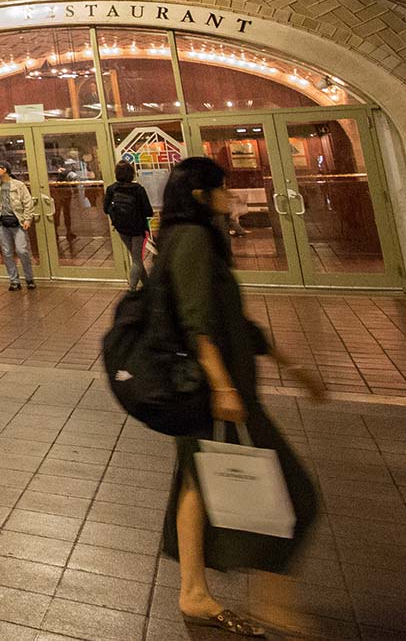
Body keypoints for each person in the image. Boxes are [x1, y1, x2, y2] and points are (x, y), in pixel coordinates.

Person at [159, 155, 326, 637]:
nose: (229, 196)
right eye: (222, 188)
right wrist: (224, 386)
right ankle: (274, 601)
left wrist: (288, 363)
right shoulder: (189, 240)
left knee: (195, 481)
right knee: (293, 491)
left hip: (217, 388)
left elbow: (229, 319)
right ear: (199, 195)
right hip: (215, 391)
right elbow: (196, 323)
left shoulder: (190, 238)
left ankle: (193, 591)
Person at [0, 162, 37, 291]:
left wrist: (27, 219)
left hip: (18, 222)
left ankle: (29, 278)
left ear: (4, 170)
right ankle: (14, 280)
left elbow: (27, 202)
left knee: (21, 250)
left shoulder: (19, 185)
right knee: (6, 252)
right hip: (2, 223)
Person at [105, 161, 155, 289]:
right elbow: (148, 211)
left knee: (135, 258)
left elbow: (106, 209)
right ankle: (131, 289)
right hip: (138, 229)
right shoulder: (138, 189)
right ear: (131, 174)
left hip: (122, 228)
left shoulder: (111, 189)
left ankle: (148, 286)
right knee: (137, 260)